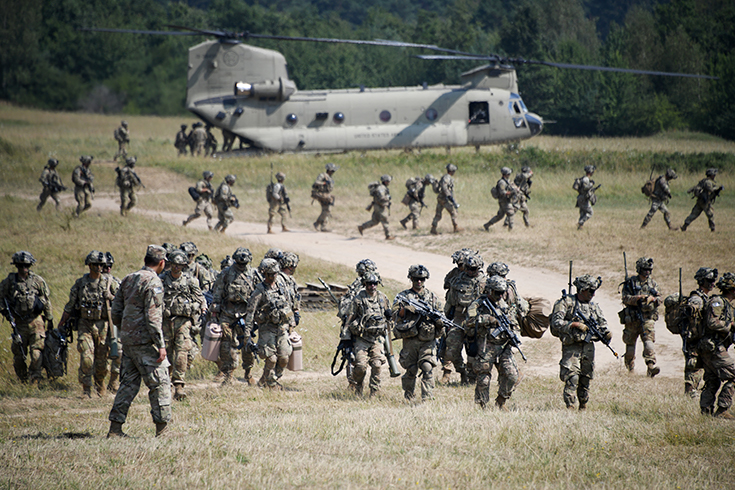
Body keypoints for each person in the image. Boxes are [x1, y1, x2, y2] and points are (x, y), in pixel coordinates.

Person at [107, 245, 170, 438]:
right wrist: (160, 344)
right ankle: (162, 431)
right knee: (160, 383)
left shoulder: (128, 278)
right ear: (162, 263)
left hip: (128, 341)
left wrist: (127, 330)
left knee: (128, 384)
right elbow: (153, 318)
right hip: (146, 342)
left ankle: (115, 429)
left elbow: (115, 312)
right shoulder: (154, 282)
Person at [58, 251, 118, 397]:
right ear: (89, 265)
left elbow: (123, 301)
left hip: (103, 326)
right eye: (95, 264)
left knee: (102, 362)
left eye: (100, 264)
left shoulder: (110, 282)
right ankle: (86, 388)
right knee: (86, 357)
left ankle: (100, 385)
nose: (98, 267)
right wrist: (61, 324)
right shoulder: (80, 284)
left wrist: (111, 297)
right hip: (85, 325)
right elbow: (70, 306)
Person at [550, 274, 612, 410]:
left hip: (588, 346)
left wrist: (606, 332)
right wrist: (574, 325)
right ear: (582, 289)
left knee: (586, 376)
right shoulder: (566, 303)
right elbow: (556, 322)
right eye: (590, 291)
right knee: (572, 376)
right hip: (572, 345)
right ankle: (570, 407)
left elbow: (602, 322)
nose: (593, 294)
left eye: (594, 291)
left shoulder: (593, 306)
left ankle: (583, 405)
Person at [466, 276, 521, 409]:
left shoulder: (504, 305)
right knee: (483, 379)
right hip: (486, 345)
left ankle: (501, 401)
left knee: (512, 375)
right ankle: (482, 406)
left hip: (503, 346)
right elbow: (468, 322)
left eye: (502, 292)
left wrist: (513, 332)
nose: (500, 295)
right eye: (497, 292)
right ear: (489, 291)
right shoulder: (478, 304)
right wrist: (488, 319)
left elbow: (515, 324)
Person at [241, 259, 296, 389]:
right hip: (267, 328)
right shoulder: (259, 291)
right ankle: (271, 385)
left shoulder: (281, 288)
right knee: (271, 359)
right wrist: (247, 334)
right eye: (270, 274)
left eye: (275, 274)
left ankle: (267, 380)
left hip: (282, 328)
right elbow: (250, 313)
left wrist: (291, 324)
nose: (273, 277)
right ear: (264, 274)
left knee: (283, 358)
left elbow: (287, 307)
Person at [0, 251, 53, 384]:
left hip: (36, 322)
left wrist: (49, 319)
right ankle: (22, 381)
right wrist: (5, 312)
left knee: (36, 354)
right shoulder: (9, 282)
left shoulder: (38, 281)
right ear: (16, 265)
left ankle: (35, 379)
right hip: (19, 323)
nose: (24, 268)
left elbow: (46, 300)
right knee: (18, 356)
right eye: (21, 265)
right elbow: (1, 298)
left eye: (26, 265)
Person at [392, 265, 444, 402]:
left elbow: (441, 316)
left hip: (428, 339)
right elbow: (395, 314)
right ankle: (409, 395)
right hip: (410, 339)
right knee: (411, 369)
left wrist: (437, 319)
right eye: (416, 279)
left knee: (427, 367)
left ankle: (427, 398)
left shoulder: (432, 297)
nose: (419, 281)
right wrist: (408, 309)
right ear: (411, 279)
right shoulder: (403, 296)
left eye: (421, 279)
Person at [159, 251, 206, 401]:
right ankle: (165, 383)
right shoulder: (161, 280)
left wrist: (198, 307)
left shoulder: (191, 281)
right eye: (174, 265)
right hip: (165, 322)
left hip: (183, 322)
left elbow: (200, 299)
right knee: (166, 352)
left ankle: (179, 386)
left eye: (179, 266)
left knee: (182, 352)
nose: (176, 268)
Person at [210, 247, 257, 385]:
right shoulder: (226, 273)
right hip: (228, 314)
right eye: (239, 263)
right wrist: (214, 314)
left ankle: (248, 373)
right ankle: (228, 374)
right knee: (226, 345)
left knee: (247, 344)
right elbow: (217, 293)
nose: (241, 266)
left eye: (244, 264)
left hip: (246, 315)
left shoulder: (254, 274)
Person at [440, 252, 485, 385]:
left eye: (474, 269)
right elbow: (450, 300)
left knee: (473, 350)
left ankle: (471, 378)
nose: (470, 272)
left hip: (476, 320)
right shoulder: (458, 280)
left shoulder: (484, 282)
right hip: (459, 318)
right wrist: (446, 317)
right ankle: (462, 371)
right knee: (451, 348)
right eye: (468, 268)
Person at [338, 259, 381, 391]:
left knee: (376, 361)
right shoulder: (356, 289)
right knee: (354, 358)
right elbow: (345, 310)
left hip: (374, 329)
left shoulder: (376, 290)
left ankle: (364, 386)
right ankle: (354, 384)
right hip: (357, 328)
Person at [345, 272, 390, 396]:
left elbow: (389, 316)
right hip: (362, 338)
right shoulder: (359, 299)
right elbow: (350, 317)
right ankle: (358, 386)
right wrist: (346, 334)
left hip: (377, 338)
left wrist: (390, 315)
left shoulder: (382, 298)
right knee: (360, 366)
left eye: (375, 283)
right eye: (370, 284)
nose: (373, 286)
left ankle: (374, 392)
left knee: (376, 365)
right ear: (365, 284)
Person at [698, 272, 735, 418]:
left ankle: (705, 413)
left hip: (714, 347)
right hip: (713, 347)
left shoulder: (728, 306)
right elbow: (712, 322)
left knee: (713, 380)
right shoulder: (718, 302)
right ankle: (722, 409)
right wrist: (730, 325)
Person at [620, 257, 661, 377]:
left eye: (649, 269)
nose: (647, 272)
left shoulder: (653, 284)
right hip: (632, 320)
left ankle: (650, 367)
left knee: (649, 344)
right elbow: (625, 298)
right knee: (630, 348)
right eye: (644, 269)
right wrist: (637, 298)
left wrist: (652, 299)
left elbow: (660, 299)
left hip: (647, 318)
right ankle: (630, 370)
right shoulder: (630, 283)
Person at [681, 267, 717, 397]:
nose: (712, 283)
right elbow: (692, 309)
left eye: (713, 280)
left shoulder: (706, 297)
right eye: (709, 280)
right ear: (702, 281)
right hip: (695, 338)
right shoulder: (696, 298)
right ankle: (690, 392)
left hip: (704, 338)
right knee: (693, 365)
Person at [103, 252, 123, 394]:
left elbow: (124, 299)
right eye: (105, 266)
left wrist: (111, 297)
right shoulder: (88, 282)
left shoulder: (115, 282)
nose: (108, 269)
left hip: (113, 323)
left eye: (110, 266)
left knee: (118, 353)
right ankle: (99, 384)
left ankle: (114, 382)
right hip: (97, 322)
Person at [358, 174, 394, 240]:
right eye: (388, 181)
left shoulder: (381, 187)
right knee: (385, 221)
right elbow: (381, 197)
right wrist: (388, 197)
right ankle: (388, 236)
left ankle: (362, 227)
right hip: (380, 207)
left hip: (377, 206)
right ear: (385, 181)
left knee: (375, 221)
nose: (389, 182)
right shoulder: (381, 188)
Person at [484, 167, 519, 231]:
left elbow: (512, 186)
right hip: (504, 201)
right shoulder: (502, 182)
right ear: (505, 174)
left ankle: (487, 225)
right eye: (508, 174)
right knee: (511, 213)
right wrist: (511, 192)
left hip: (506, 201)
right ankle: (511, 230)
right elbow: (502, 192)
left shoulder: (507, 181)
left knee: (500, 216)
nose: (509, 175)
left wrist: (516, 189)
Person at [431, 163, 462, 235]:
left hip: (441, 198)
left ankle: (433, 228)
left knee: (438, 214)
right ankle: (456, 227)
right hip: (445, 199)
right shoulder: (447, 178)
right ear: (451, 171)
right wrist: (449, 196)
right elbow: (444, 187)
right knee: (453, 212)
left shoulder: (445, 177)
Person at [312, 163, 338, 232]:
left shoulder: (329, 177)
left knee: (326, 210)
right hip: (321, 195)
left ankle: (323, 226)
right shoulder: (323, 175)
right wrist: (324, 183)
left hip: (326, 195)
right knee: (327, 210)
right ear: (329, 170)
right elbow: (316, 182)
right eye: (332, 171)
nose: (333, 172)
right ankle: (317, 223)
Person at [574, 165, 598, 230]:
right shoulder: (585, 179)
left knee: (582, 213)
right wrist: (591, 184)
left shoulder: (584, 178)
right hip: (583, 198)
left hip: (581, 198)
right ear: (590, 172)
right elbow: (585, 188)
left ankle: (580, 227)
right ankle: (580, 222)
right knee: (590, 212)